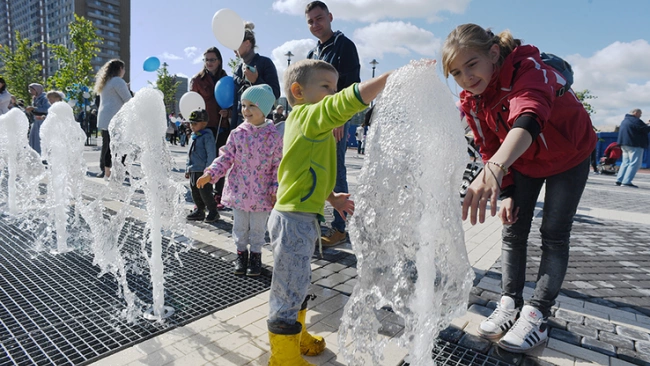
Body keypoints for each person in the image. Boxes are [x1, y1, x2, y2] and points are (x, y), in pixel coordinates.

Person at [442, 24, 596, 353]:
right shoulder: (472, 101)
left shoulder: (528, 69)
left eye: (472, 64)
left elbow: (529, 115)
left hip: (569, 154)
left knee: (554, 232)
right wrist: (507, 190)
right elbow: (487, 145)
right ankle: (509, 301)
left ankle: (537, 314)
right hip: (524, 161)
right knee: (512, 229)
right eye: (456, 72)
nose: (466, 78)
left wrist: (495, 169)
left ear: (493, 54)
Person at [266, 58, 389, 365]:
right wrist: (390, 78)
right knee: (288, 288)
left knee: (298, 281)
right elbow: (344, 104)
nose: (333, 94)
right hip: (293, 220)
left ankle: (297, 335)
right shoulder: (307, 115)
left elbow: (306, 168)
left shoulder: (308, 125)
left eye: (335, 88)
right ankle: (282, 358)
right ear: (298, 92)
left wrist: (331, 197)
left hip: (301, 218)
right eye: (326, 87)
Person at [197, 84, 282, 277]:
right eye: (243, 105)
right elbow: (226, 157)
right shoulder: (237, 133)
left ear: (265, 109)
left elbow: (278, 165)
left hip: (262, 194)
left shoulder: (274, 137)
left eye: (251, 105)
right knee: (240, 226)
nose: (246, 110)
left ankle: (256, 256)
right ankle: (241, 254)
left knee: (258, 229)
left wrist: (275, 188)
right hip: (239, 190)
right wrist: (211, 173)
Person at [305, 1, 361, 247]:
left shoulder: (343, 46)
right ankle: (316, 218)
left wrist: (341, 118)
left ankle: (340, 228)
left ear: (330, 17)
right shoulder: (313, 53)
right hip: (316, 122)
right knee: (314, 170)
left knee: (336, 173)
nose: (315, 24)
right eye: (310, 21)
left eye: (319, 18)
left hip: (335, 121)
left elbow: (351, 86)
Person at [191, 46, 231, 210]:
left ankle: (218, 195)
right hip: (204, 127)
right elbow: (192, 104)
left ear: (219, 61)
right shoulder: (197, 80)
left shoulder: (226, 78)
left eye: (212, 59)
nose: (209, 63)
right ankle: (201, 198)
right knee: (202, 162)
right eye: (206, 60)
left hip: (221, 125)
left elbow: (232, 101)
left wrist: (228, 112)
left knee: (219, 161)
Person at [231, 22, 281, 130]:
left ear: (247, 43)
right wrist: (232, 130)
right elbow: (236, 103)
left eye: (236, 43)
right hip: (242, 125)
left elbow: (275, 93)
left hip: (262, 124)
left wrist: (256, 80)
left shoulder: (265, 63)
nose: (233, 48)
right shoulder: (237, 69)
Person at [94, 59, 131, 179]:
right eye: (123, 68)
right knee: (120, 146)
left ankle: (107, 172)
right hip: (116, 119)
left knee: (108, 146)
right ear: (119, 69)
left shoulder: (106, 82)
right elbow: (128, 100)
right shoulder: (117, 81)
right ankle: (117, 172)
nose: (124, 71)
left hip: (105, 118)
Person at [185, 109, 219, 223]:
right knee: (194, 191)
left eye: (195, 123)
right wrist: (187, 168)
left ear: (204, 124)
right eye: (191, 123)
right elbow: (189, 154)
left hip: (202, 170)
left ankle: (213, 211)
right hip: (193, 169)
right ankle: (200, 210)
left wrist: (209, 170)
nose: (192, 126)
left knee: (205, 192)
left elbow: (211, 154)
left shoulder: (207, 136)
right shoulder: (193, 136)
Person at [615, 109, 650, 188]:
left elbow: (637, 127)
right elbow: (645, 129)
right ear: (636, 113)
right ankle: (626, 181)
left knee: (625, 163)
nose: (640, 116)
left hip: (624, 144)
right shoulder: (636, 121)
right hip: (634, 144)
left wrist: (646, 123)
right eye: (640, 114)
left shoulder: (625, 121)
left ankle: (619, 180)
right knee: (634, 163)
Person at [26, 83, 51, 155]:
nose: (30, 92)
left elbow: (46, 109)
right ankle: (35, 154)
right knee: (33, 137)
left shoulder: (44, 98)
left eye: (32, 90)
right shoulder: (35, 98)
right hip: (36, 120)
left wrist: (33, 108)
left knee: (40, 138)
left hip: (42, 120)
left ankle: (41, 154)